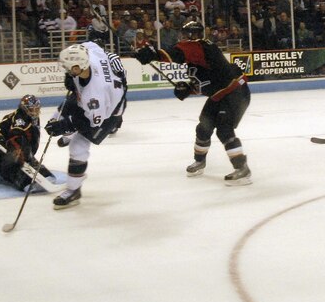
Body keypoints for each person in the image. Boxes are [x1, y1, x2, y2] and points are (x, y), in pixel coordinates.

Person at [134, 21, 252, 185]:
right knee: (203, 126)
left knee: (224, 129)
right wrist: (188, 88)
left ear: (194, 35)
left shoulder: (199, 46)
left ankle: (242, 168)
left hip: (235, 93)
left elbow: (174, 55)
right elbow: (209, 80)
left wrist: (153, 54)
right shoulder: (197, 53)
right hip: (221, 93)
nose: (182, 37)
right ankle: (200, 161)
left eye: (185, 34)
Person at [45, 43, 127, 209]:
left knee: (78, 145)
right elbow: (91, 45)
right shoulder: (89, 55)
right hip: (109, 92)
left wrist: (65, 126)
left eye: (68, 69)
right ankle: (66, 131)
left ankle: (73, 191)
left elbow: (93, 122)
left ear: (77, 68)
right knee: (67, 106)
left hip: (109, 113)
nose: (66, 71)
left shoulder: (93, 97)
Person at [0, 95, 53, 191]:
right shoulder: (20, 119)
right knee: (14, 164)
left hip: (2, 152)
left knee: (20, 157)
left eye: (36, 109)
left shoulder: (30, 118)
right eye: (32, 109)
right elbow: (16, 136)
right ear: (24, 108)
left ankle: (39, 172)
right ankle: (25, 182)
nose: (35, 111)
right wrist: (18, 154)